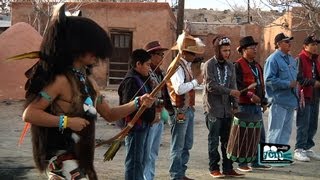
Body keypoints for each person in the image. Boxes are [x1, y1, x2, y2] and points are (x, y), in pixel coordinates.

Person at [21, 4, 155, 180]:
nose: (96, 53)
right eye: (91, 47)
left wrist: (138, 103)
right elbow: (30, 114)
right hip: (63, 162)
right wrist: (66, 121)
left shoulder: (88, 82)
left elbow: (109, 113)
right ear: (76, 46)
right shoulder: (61, 80)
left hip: (82, 160)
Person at [202, 36, 244, 178]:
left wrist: (235, 104)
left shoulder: (231, 65)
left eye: (229, 50)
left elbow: (233, 86)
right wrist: (229, 92)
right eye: (224, 50)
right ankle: (214, 168)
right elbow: (211, 86)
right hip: (213, 109)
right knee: (213, 141)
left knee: (228, 140)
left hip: (228, 110)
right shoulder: (209, 65)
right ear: (217, 50)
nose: (227, 53)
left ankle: (228, 168)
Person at [166, 34, 204, 180]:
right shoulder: (177, 67)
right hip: (179, 110)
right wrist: (196, 82)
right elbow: (179, 89)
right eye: (192, 53)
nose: (194, 56)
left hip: (186, 108)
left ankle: (180, 173)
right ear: (184, 52)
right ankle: (176, 174)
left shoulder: (183, 66)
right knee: (179, 145)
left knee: (186, 143)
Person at [235, 36, 272, 172]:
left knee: (259, 135)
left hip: (256, 107)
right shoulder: (238, 65)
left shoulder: (257, 66)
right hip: (244, 105)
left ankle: (257, 161)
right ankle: (242, 163)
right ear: (244, 50)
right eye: (252, 48)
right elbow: (237, 86)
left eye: (255, 47)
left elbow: (261, 86)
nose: (255, 50)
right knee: (245, 135)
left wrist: (263, 102)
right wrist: (250, 95)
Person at [118, 49, 156, 180]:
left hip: (143, 127)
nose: (149, 68)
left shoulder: (143, 79)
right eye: (147, 64)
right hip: (135, 128)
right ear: (138, 64)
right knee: (134, 162)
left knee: (140, 160)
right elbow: (127, 106)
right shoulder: (131, 81)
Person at [142, 41, 173, 180]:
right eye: (159, 54)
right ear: (151, 56)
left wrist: (170, 111)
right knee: (146, 152)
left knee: (153, 152)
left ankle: (150, 177)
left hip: (158, 117)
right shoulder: (146, 73)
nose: (162, 57)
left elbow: (165, 94)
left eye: (162, 54)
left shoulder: (160, 72)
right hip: (149, 118)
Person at [264, 32, 298, 145]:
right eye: (286, 41)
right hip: (278, 101)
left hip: (290, 100)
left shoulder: (291, 59)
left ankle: (281, 157)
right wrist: (287, 84)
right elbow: (268, 80)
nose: (289, 44)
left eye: (290, 41)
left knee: (286, 131)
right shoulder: (273, 59)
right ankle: (272, 159)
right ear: (279, 44)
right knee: (275, 131)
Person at [294, 35, 320, 162]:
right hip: (304, 95)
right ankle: (299, 149)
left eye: (316, 44)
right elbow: (298, 78)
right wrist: (312, 82)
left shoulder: (315, 59)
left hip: (315, 95)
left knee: (313, 123)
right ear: (305, 46)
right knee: (303, 122)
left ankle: (307, 147)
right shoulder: (300, 58)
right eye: (312, 44)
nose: (315, 47)